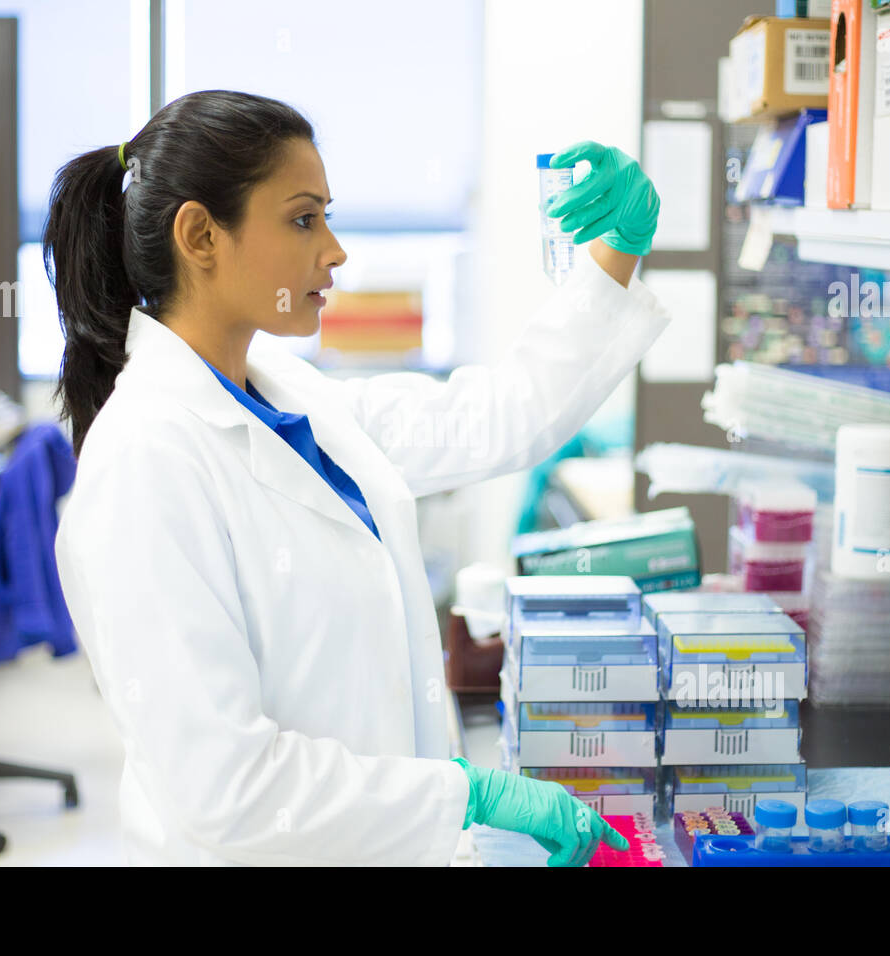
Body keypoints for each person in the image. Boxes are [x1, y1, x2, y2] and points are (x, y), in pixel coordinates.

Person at [48, 90, 669, 866]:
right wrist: (462, 795)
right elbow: (226, 791)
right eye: (304, 219)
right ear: (201, 235)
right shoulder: (144, 464)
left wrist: (615, 251)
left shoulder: (288, 395)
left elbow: (497, 416)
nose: (335, 251)